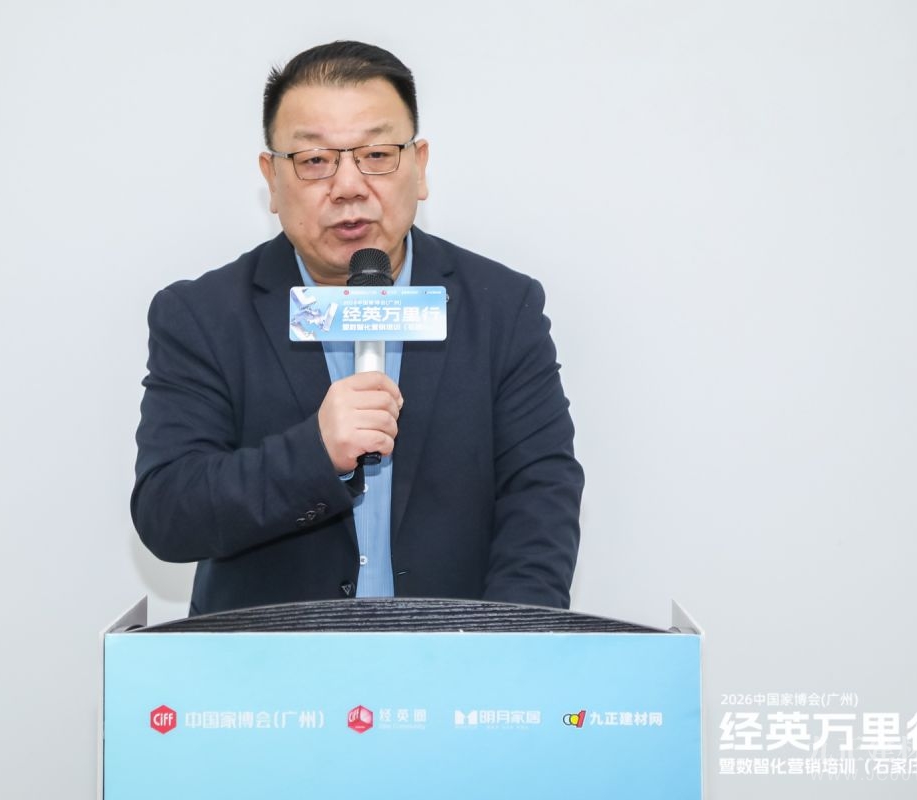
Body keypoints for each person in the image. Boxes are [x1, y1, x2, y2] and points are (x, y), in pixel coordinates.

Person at [132, 41, 584, 616]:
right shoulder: (203, 315)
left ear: (419, 166)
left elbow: (540, 497)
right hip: (272, 665)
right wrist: (314, 453)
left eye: (376, 154)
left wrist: (502, 648)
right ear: (272, 179)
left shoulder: (502, 307)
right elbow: (168, 514)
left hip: (453, 656)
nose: (348, 186)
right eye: (314, 160)